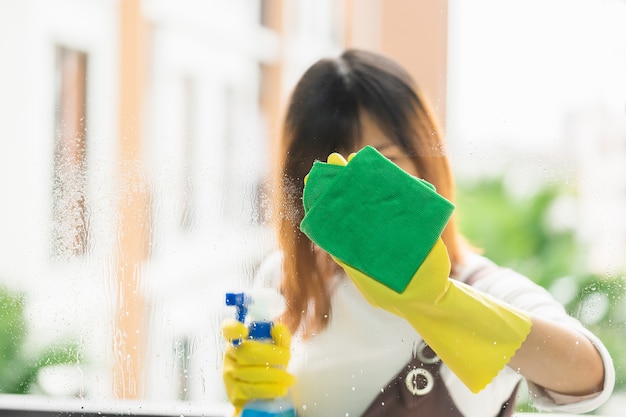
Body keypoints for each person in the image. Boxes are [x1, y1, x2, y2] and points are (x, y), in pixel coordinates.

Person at [221, 49, 615, 417]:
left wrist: (437, 302)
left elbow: (589, 374)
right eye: (332, 175)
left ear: (425, 165)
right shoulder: (283, 280)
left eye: (385, 162)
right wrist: (259, 396)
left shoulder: (482, 287)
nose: (360, 196)